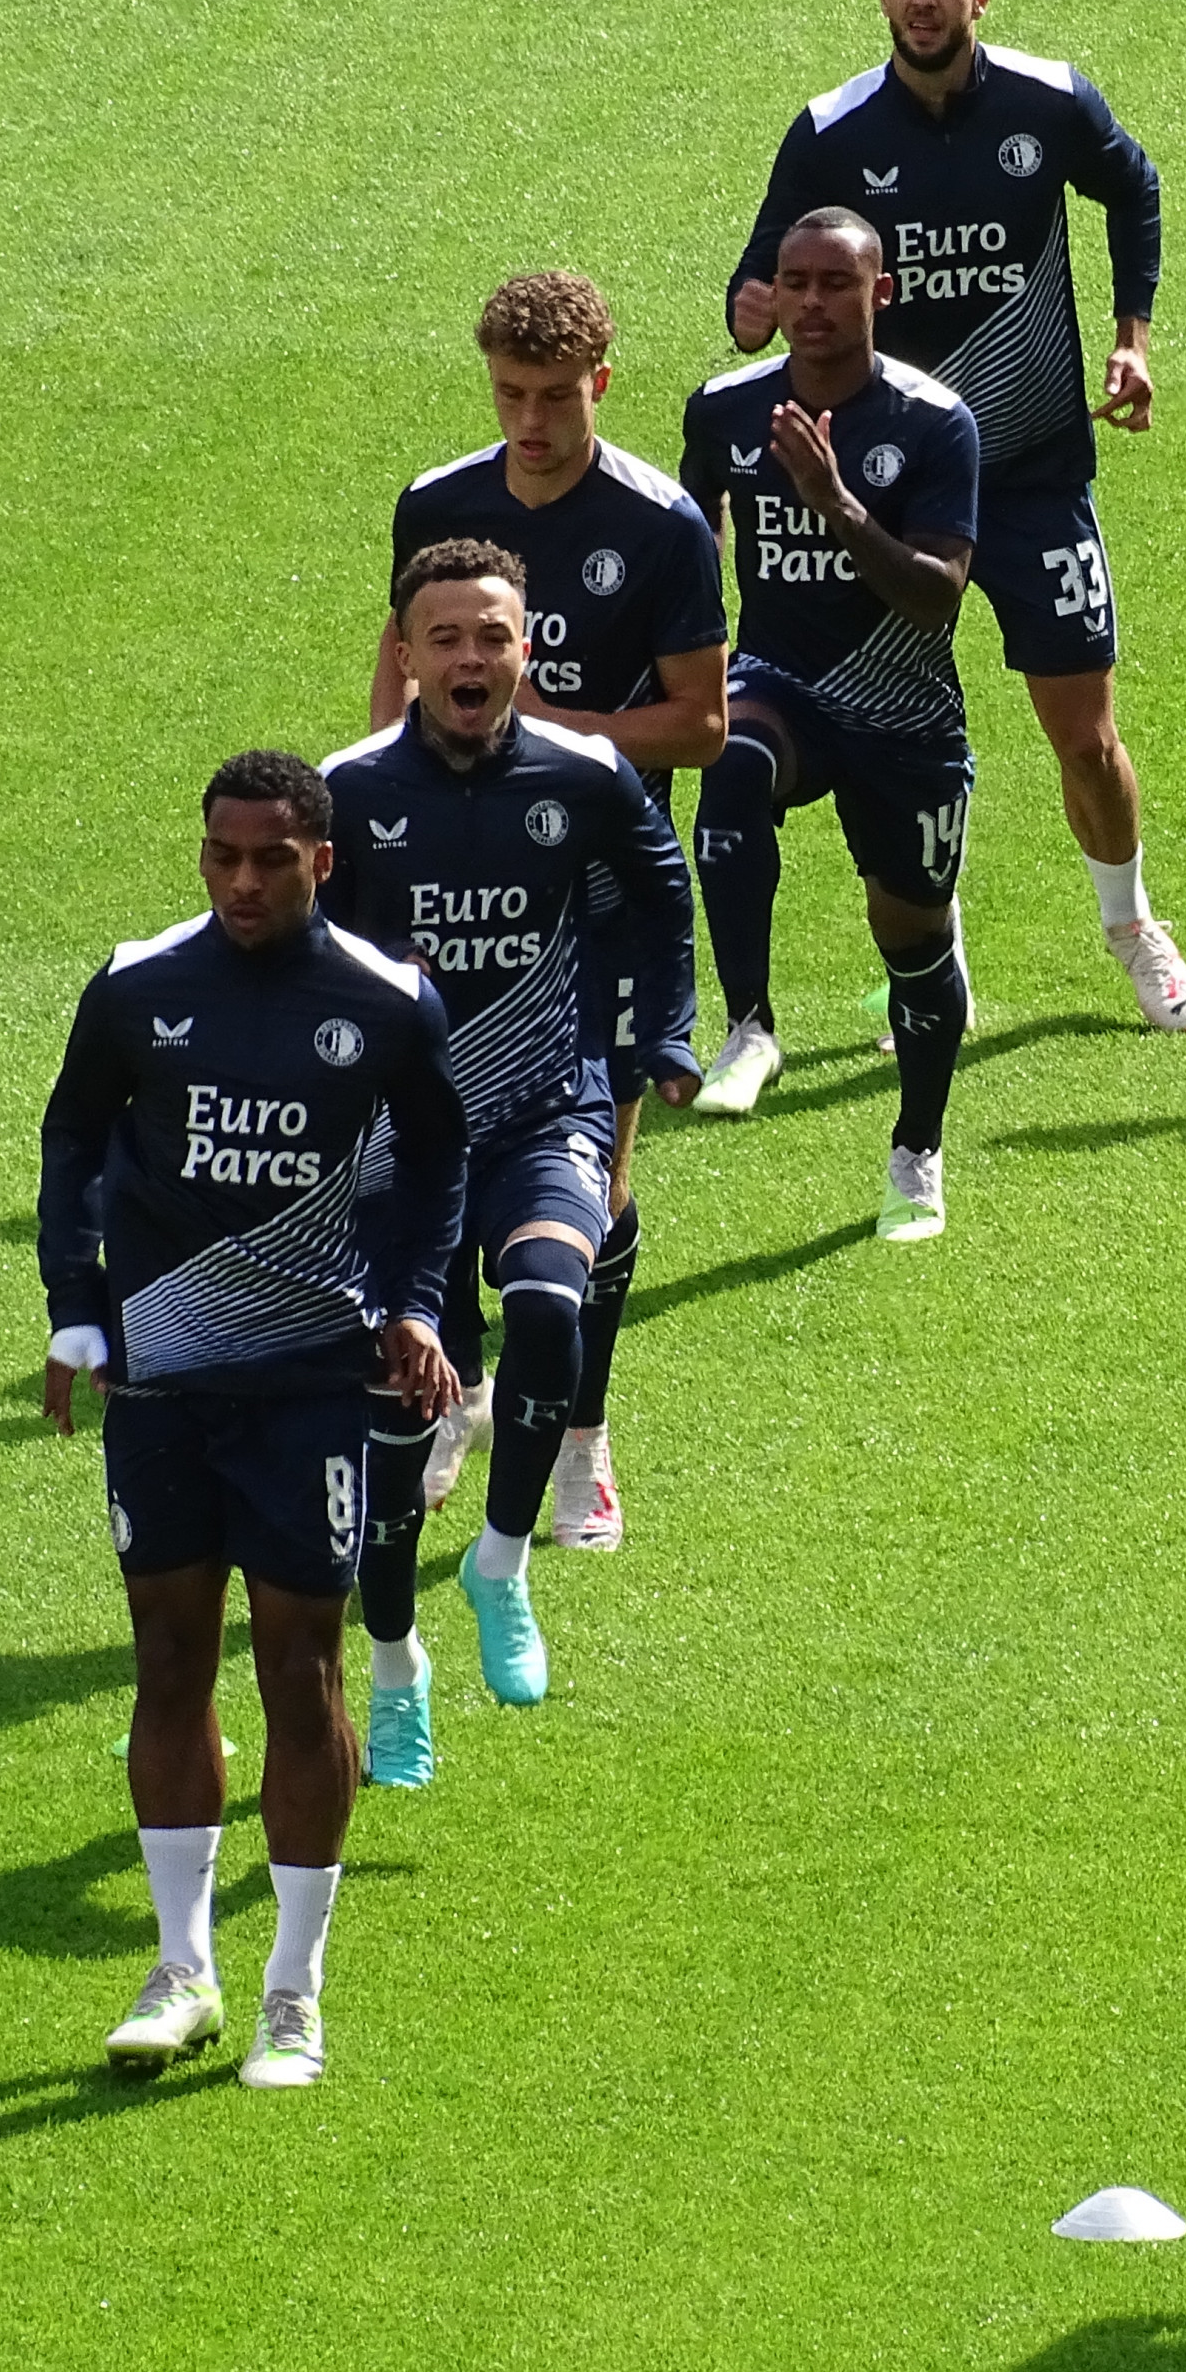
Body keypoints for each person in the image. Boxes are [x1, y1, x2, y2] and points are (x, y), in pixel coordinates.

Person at [35, 751, 465, 2090]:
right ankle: (182, 1970)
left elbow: (437, 1166)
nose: (241, 881)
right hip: (162, 1379)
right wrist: (74, 1308)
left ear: (320, 861)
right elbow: (70, 1142)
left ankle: (294, 1989)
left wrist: (416, 1306)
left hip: (305, 1389)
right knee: (167, 1659)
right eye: (223, 855)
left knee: (300, 1669)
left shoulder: (386, 1005)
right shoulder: (140, 986)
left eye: (271, 858)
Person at [724, 0, 1186, 1032]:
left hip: (1035, 474)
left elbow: (1133, 188)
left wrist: (1132, 338)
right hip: (888, 493)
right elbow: (758, 282)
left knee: (1084, 733)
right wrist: (750, 313)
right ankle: (934, 958)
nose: (925, 0)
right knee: (891, 732)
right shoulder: (832, 132)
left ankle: (1130, 923)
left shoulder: (1049, 99)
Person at [322, 541, 696, 1773]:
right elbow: (297, 970)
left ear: (524, 647)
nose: (471, 658)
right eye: (446, 638)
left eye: (493, 635)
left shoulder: (584, 776)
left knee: (547, 1302)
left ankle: (500, 1562)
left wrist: (667, 1032)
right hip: (401, 1151)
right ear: (407, 656)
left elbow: (661, 892)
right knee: (381, 1464)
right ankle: (393, 1669)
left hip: (548, 1114)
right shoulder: (349, 794)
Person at [373, 269, 729, 1553]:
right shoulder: (436, 503)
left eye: (553, 397)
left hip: (591, 893)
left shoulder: (663, 521)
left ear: (601, 384)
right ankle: (455, 1397)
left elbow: (702, 723)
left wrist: (537, 734)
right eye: (509, 396)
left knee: (598, 1190)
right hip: (439, 882)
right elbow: (393, 685)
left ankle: (584, 1436)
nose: (529, 422)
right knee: (430, 1153)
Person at [684, 209, 986, 1242]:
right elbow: (691, 545)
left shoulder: (934, 422)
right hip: (780, 682)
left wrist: (835, 503)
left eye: (834, 285)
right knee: (731, 764)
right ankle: (750, 1024)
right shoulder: (725, 410)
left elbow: (937, 597)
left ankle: (917, 1150)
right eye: (793, 283)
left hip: (904, 718)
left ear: (880, 296)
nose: (810, 304)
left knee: (914, 943)